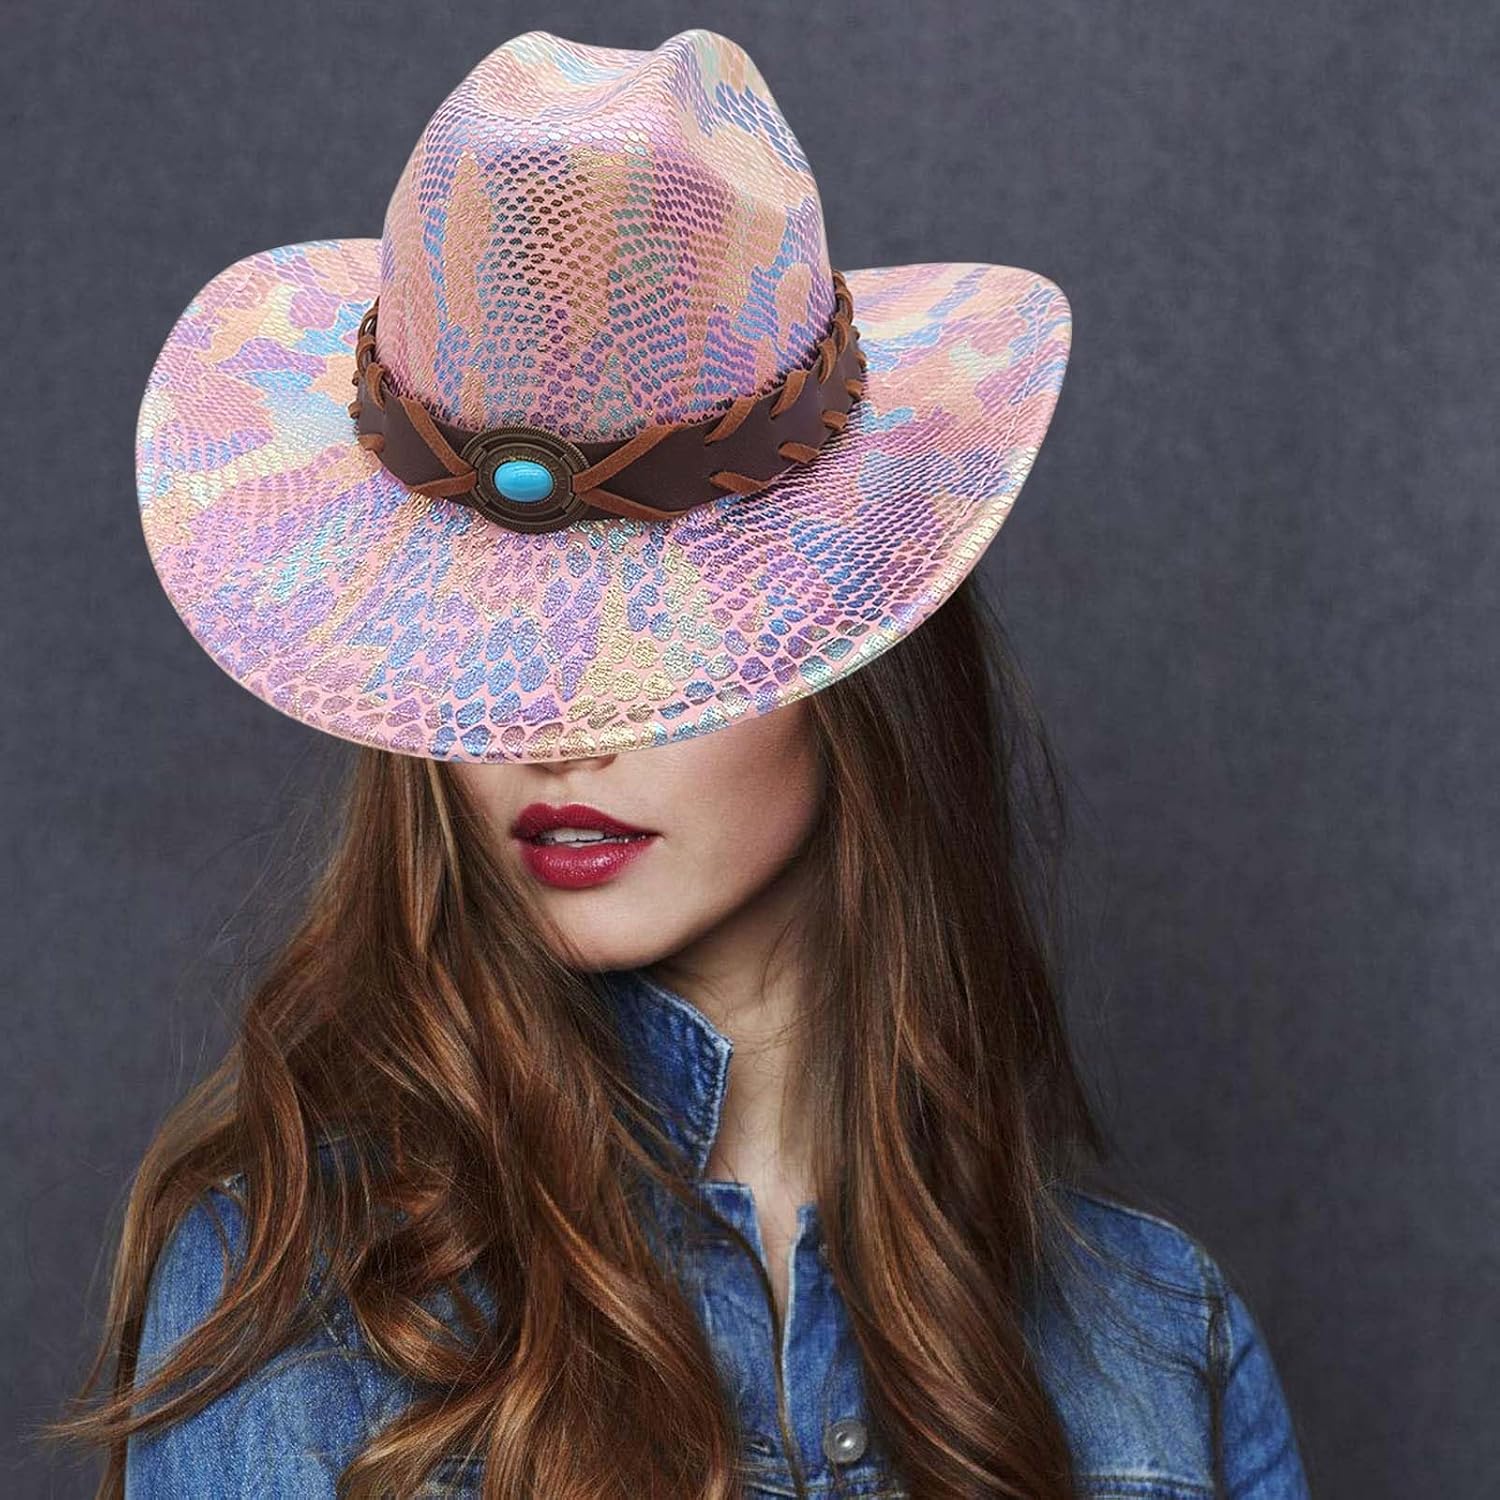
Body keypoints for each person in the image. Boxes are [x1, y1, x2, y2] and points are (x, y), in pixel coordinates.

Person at [44, 26, 1311, 1500]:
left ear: (856, 652)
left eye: (658, 629)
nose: (560, 731)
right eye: (491, 639)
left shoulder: (1155, 1348)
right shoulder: (296, 1309)